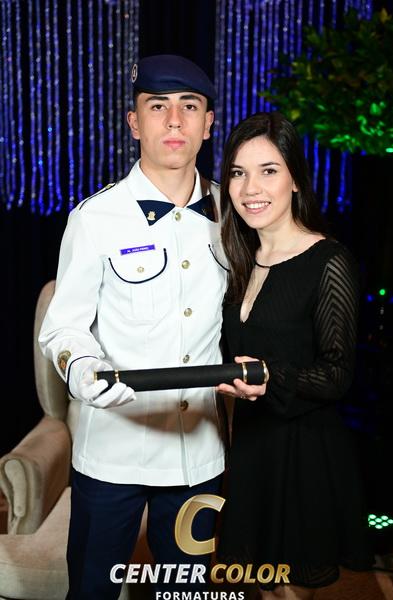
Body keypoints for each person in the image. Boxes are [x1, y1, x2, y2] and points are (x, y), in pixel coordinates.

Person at [38, 54, 264, 600]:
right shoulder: (95, 218)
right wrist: (82, 366)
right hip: (113, 451)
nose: (174, 120)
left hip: (198, 455)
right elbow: (62, 328)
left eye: (190, 106)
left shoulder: (236, 214)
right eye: (157, 106)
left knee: (186, 592)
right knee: (92, 591)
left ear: (208, 124)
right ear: (134, 122)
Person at [215, 112, 374, 599]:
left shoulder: (329, 261)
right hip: (251, 451)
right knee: (256, 586)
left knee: (290, 591)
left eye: (268, 170)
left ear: (296, 180)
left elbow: (338, 375)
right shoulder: (239, 261)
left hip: (304, 458)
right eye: (238, 173)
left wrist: (269, 375)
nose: (250, 188)